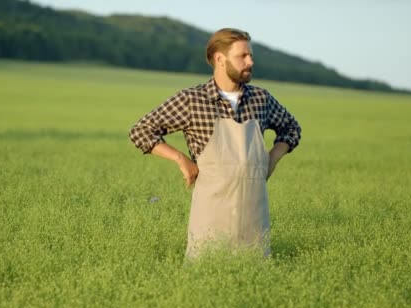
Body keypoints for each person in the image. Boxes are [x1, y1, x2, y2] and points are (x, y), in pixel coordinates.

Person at [129, 28, 302, 258]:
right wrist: (181, 159)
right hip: (210, 216)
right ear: (220, 59)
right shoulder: (192, 100)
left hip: (253, 217)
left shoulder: (261, 99)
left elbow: (292, 128)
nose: (250, 61)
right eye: (243, 56)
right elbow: (141, 131)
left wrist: (272, 159)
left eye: (251, 55)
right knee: (206, 271)